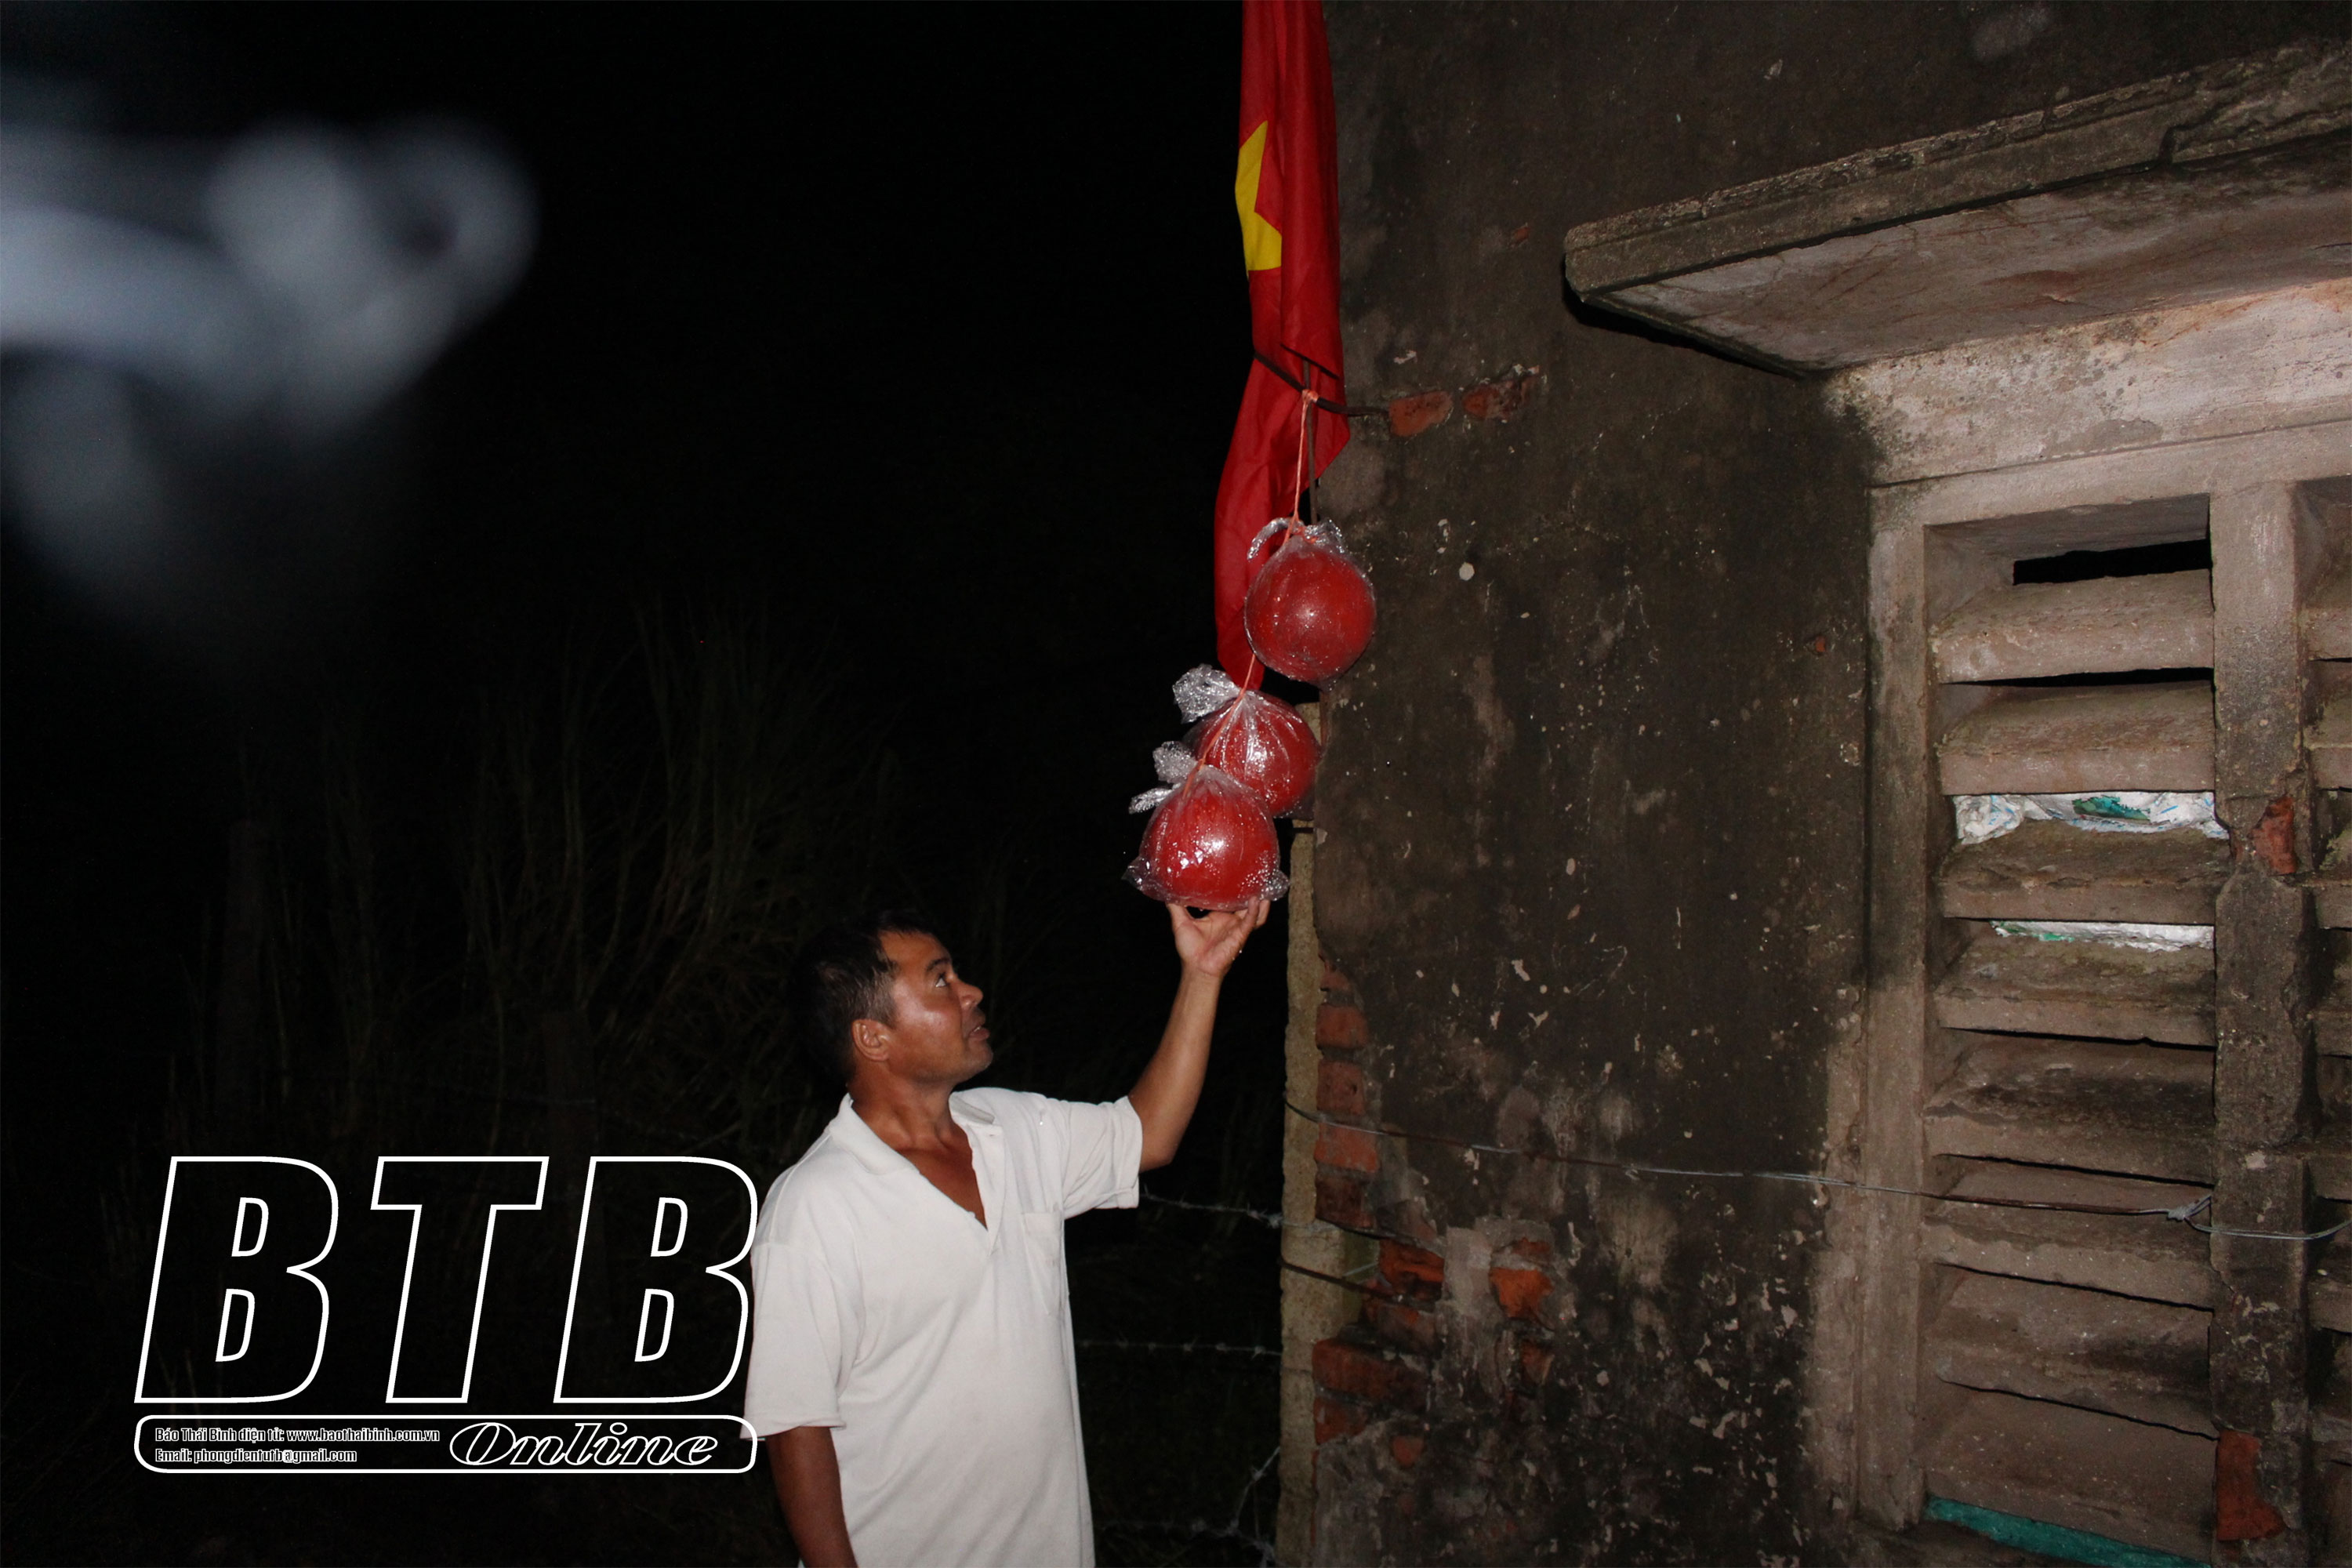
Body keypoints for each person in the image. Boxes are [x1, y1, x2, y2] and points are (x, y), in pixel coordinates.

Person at [743, 899, 1269, 1567]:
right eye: (940, 980)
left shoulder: (1013, 1129)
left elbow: (1149, 1134)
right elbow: (796, 1427)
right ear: (873, 1038)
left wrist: (1203, 974)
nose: (971, 992)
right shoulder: (817, 1205)